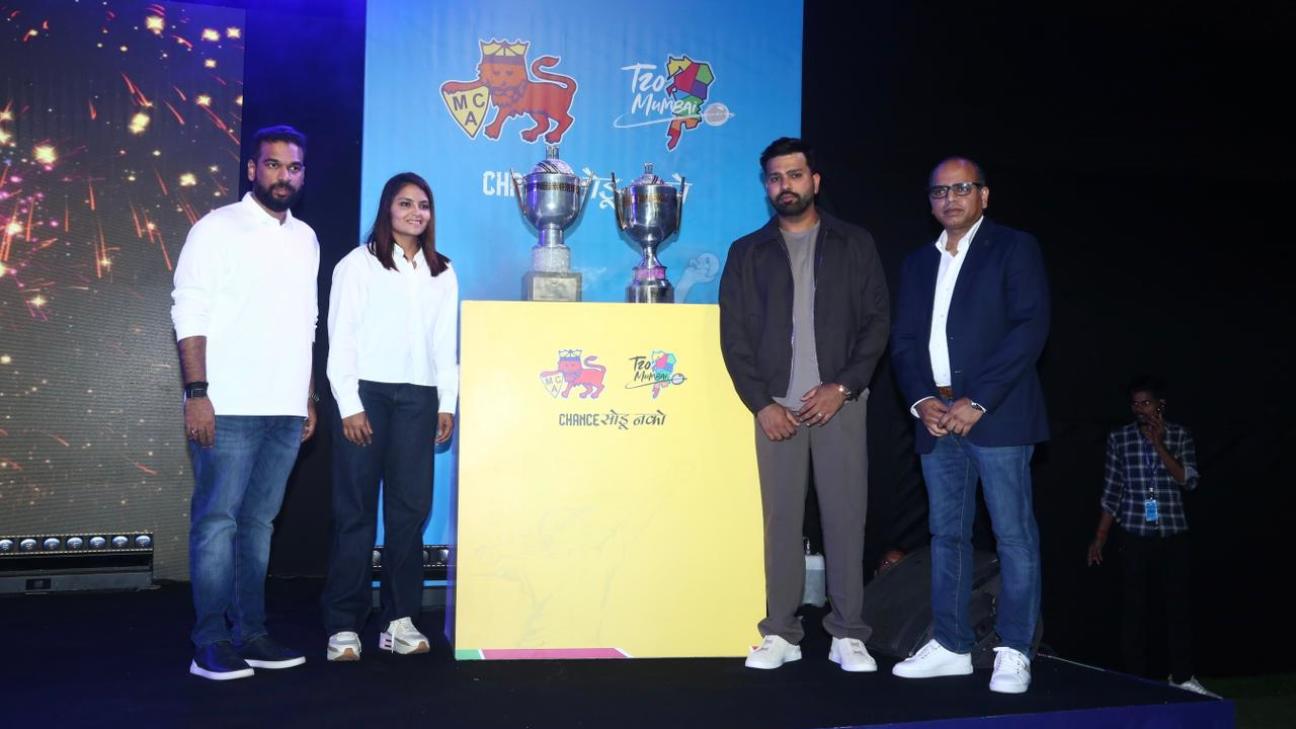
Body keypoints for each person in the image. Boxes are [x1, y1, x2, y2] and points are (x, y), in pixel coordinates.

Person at [719, 137, 890, 672]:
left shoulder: (854, 242)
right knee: (781, 523)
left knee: (846, 519)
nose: (785, 186)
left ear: (814, 181)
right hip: (777, 409)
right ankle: (780, 632)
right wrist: (761, 403)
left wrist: (843, 387)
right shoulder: (747, 252)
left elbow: (877, 322)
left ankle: (848, 633)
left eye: (794, 175)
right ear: (766, 187)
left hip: (841, 404)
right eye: (775, 178)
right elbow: (734, 337)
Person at [889, 157, 1050, 694]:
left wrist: (978, 400)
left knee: (1013, 536)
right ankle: (952, 645)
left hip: (997, 414)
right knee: (946, 535)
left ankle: (1015, 649)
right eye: (939, 191)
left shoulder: (1014, 248)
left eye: (961, 188)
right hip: (936, 417)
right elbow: (903, 341)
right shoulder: (918, 263)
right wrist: (921, 400)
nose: (950, 199)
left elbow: (1030, 328)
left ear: (984, 194)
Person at [171, 125, 319, 680]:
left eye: (294, 167)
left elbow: (306, 322)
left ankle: (250, 634)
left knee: (259, 525)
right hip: (227, 404)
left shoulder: (306, 238)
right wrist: (197, 393)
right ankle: (209, 642)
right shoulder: (216, 228)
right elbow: (189, 310)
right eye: (273, 165)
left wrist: (307, 395)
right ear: (253, 169)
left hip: (285, 408)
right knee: (217, 523)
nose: (284, 176)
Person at [321, 172, 458, 662]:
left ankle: (399, 620)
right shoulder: (357, 265)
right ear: (387, 209)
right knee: (355, 512)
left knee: (409, 514)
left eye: (423, 205)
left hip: (419, 400)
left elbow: (445, 343)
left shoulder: (443, 271)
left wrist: (446, 402)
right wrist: (349, 404)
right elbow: (341, 338)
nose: (416, 212)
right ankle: (344, 625)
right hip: (367, 397)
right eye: (405, 203)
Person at [1087, 376, 1216, 697]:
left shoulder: (1180, 435)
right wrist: (1100, 537)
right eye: (1135, 404)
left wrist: (1159, 445)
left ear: (1161, 404)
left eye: (1145, 403)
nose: (1140, 409)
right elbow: (1112, 490)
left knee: (1178, 608)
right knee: (1134, 610)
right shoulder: (1120, 438)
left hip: (1173, 532)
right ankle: (1135, 682)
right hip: (1134, 532)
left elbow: (1189, 480)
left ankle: (1182, 676)